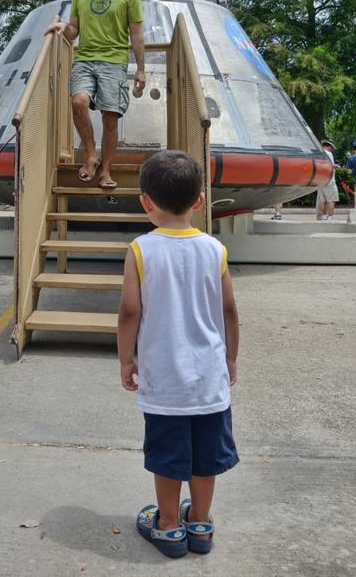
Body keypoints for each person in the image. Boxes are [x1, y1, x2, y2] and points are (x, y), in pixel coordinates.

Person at [117, 151, 239, 558]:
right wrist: (232, 358)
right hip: (209, 378)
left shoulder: (140, 249)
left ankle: (169, 526)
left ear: (145, 201)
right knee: (206, 456)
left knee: (168, 455)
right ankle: (200, 523)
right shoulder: (214, 250)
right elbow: (228, 310)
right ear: (200, 201)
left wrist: (125, 358)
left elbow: (130, 310)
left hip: (165, 379)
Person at [44, 0, 145, 190]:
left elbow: (137, 34)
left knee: (110, 118)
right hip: (86, 59)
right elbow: (74, 30)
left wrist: (140, 69)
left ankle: (105, 172)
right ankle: (91, 156)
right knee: (78, 101)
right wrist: (62, 29)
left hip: (114, 61)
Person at [316, 140, 338, 220]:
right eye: (331, 148)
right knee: (331, 200)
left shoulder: (318, 153)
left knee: (323, 200)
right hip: (329, 181)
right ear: (328, 146)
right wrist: (335, 166)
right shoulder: (329, 154)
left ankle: (323, 216)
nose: (331, 149)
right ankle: (330, 217)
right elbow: (330, 167)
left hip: (320, 180)